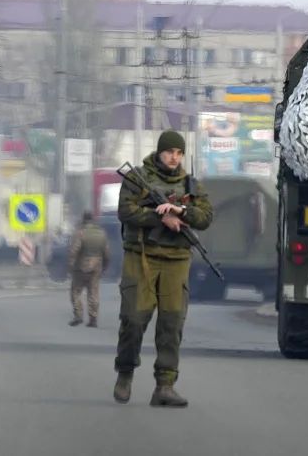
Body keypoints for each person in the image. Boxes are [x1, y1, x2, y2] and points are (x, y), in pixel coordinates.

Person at [113, 129, 213, 408]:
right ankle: (125, 372)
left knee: (172, 323)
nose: (174, 157)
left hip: (177, 260)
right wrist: (160, 219)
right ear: (159, 152)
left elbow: (206, 217)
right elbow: (125, 211)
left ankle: (165, 386)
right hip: (141, 256)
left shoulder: (191, 184)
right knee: (133, 318)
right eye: (169, 151)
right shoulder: (138, 178)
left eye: (179, 153)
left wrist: (181, 212)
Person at [68, 210, 110, 327]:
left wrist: (71, 265)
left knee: (76, 292)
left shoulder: (80, 232)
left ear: (83, 219)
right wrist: (105, 266)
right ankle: (93, 318)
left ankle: (78, 315)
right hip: (97, 266)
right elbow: (106, 252)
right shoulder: (101, 233)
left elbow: (74, 250)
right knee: (93, 293)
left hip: (81, 266)